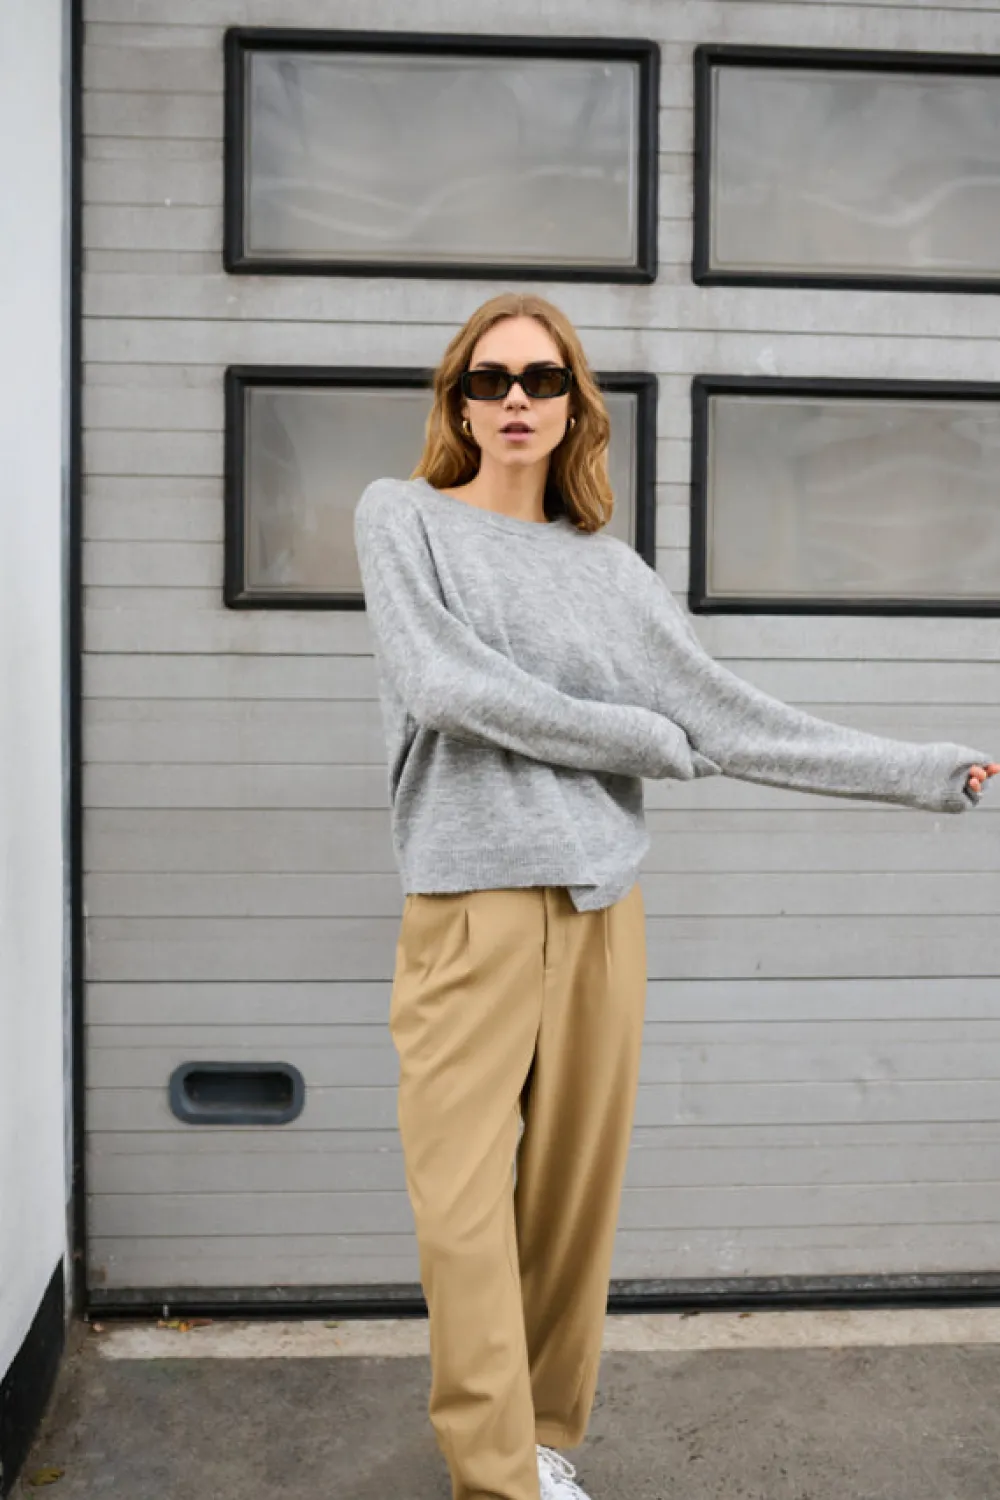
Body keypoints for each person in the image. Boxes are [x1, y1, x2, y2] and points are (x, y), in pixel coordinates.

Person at [353, 291, 999, 1500]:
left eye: (541, 380)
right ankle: (493, 1478)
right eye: (489, 380)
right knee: (459, 1206)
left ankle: (541, 1438)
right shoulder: (402, 517)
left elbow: (732, 720)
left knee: (570, 1203)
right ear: (458, 405)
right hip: (470, 906)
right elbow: (445, 686)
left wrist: (923, 771)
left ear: (574, 407)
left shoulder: (611, 573)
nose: (514, 401)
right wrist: (637, 738)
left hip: (602, 912)